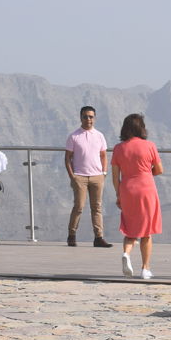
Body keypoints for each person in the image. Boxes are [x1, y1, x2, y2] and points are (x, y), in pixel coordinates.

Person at [111, 113, 162, 280]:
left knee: (129, 228)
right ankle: (145, 269)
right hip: (146, 188)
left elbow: (115, 176)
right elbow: (159, 169)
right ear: (141, 128)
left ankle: (126, 253)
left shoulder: (119, 148)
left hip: (127, 189)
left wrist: (119, 194)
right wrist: (147, 172)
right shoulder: (149, 146)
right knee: (146, 232)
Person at [64, 105, 112, 248]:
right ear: (80, 118)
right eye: (85, 116)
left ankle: (98, 237)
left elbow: (103, 155)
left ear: (94, 118)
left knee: (97, 207)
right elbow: (67, 158)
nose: (88, 119)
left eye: (91, 117)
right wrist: (73, 176)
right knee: (79, 206)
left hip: (97, 176)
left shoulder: (100, 136)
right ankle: (71, 235)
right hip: (80, 177)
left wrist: (104, 173)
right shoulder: (74, 136)